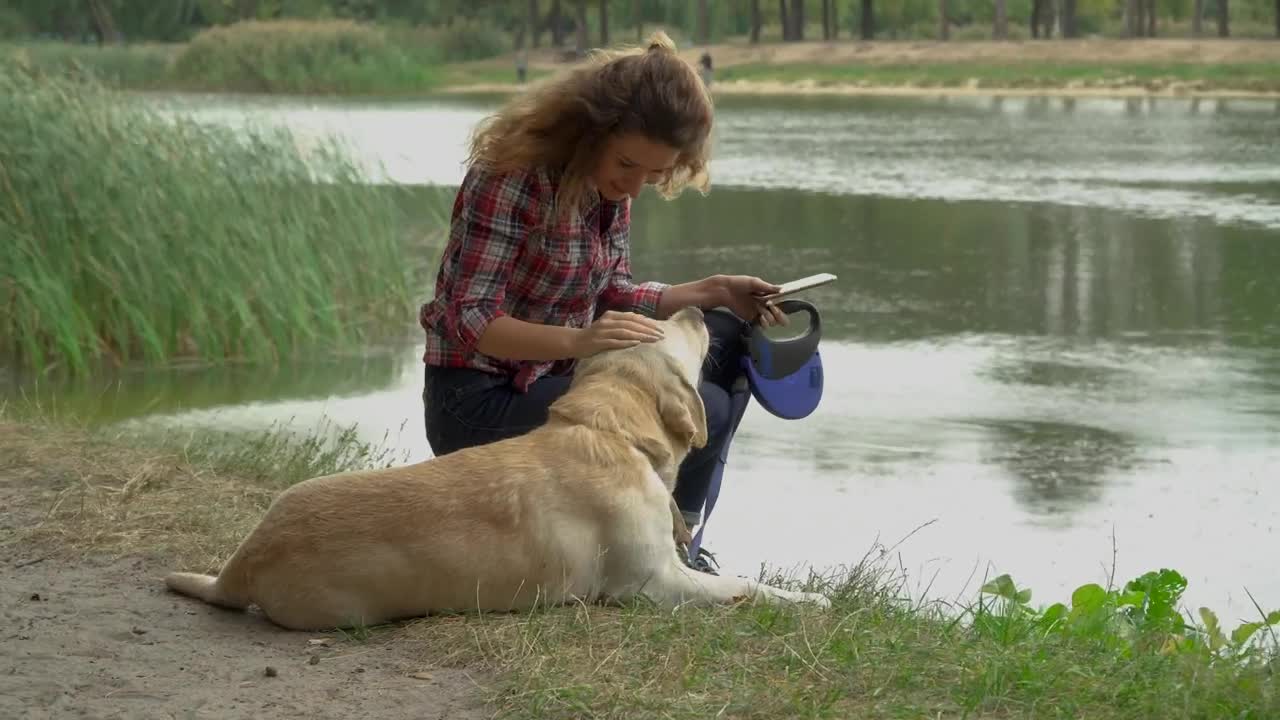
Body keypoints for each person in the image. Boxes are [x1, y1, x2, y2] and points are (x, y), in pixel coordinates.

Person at [418, 31, 786, 573]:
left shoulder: (608, 188)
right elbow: (469, 316)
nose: (636, 186)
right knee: (698, 404)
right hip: (476, 402)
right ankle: (664, 553)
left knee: (727, 336)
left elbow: (612, 291)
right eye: (628, 165)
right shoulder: (512, 176)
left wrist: (710, 291)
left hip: (562, 386)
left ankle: (679, 540)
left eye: (656, 174)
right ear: (591, 133)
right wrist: (578, 340)